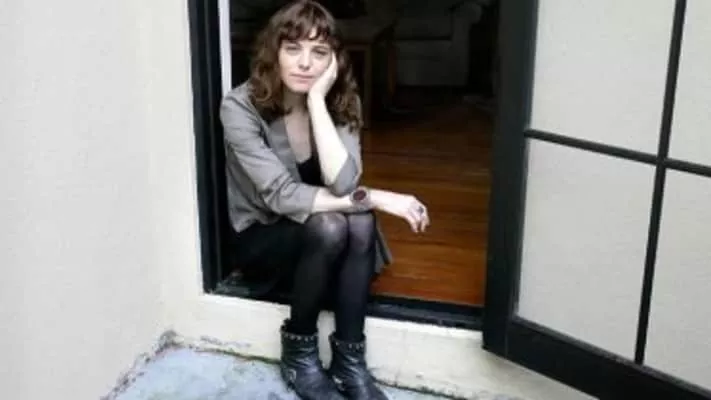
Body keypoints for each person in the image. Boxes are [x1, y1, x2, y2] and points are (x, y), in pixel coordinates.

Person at [219, 1, 430, 399]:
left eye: (319, 52)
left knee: (360, 221)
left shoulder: (341, 100)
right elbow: (281, 196)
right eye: (292, 48)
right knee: (336, 223)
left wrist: (316, 102)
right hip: (265, 237)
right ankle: (299, 354)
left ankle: (349, 362)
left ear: (333, 61)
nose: (305, 63)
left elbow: (345, 182)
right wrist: (378, 197)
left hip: (322, 239)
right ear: (273, 51)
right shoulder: (240, 106)